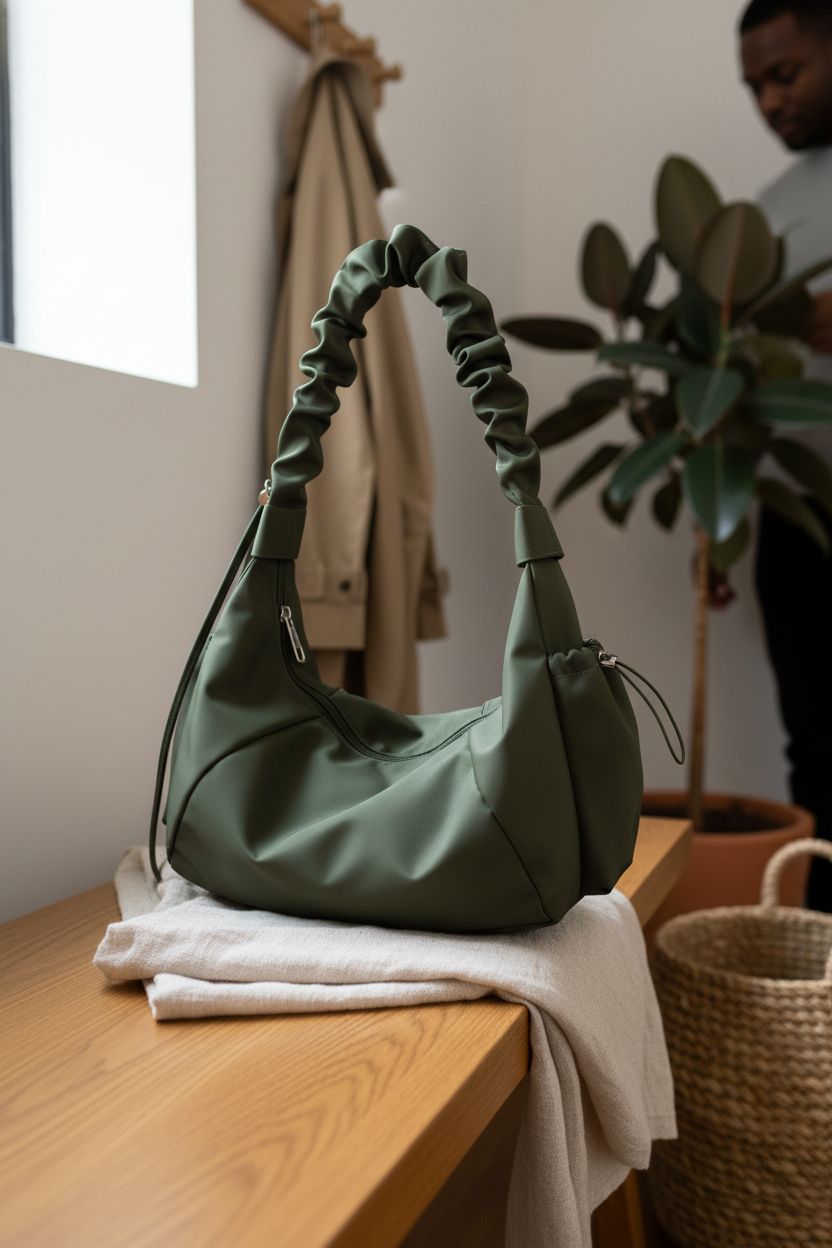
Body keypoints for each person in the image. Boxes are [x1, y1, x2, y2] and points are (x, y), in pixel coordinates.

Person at [739, 0, 832, 910]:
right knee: (813, 737)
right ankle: (822, 956)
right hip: (791, 511)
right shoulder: (763, 216)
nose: (769, 101)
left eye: (786, 73)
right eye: (754, 86)